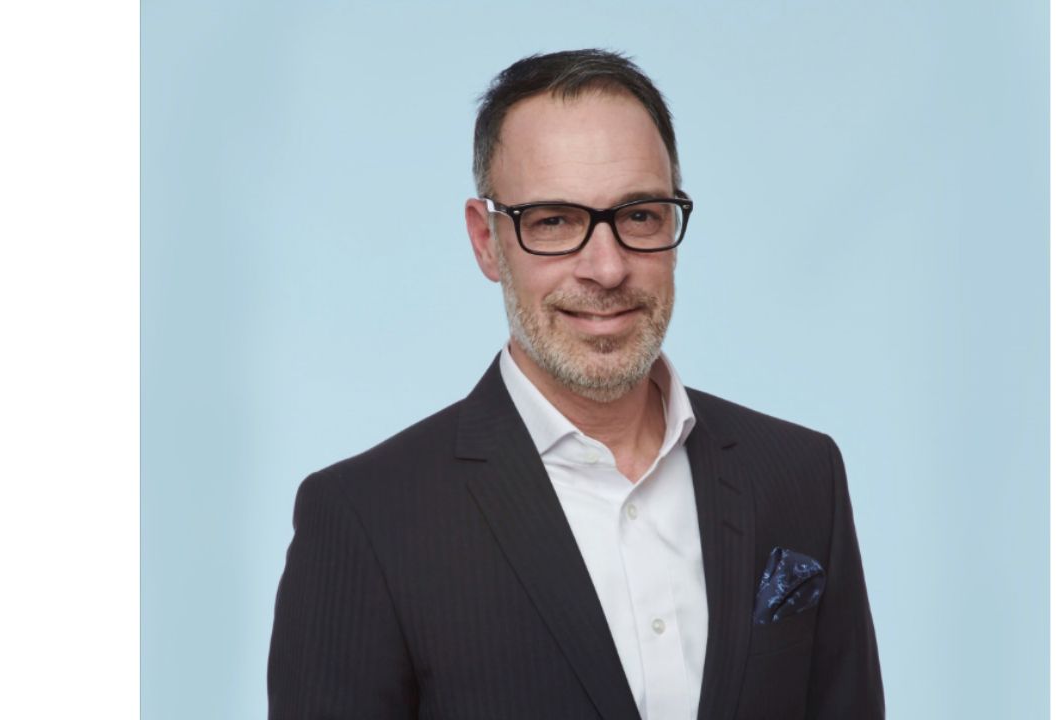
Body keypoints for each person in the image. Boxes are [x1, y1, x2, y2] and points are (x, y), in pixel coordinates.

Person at [268, 49, 884, 719]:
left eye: (640, 215)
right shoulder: (365, 521)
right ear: (486, 241)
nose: (607, 268)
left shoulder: (801, 476)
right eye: (554, 221)